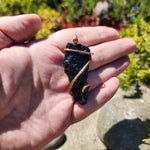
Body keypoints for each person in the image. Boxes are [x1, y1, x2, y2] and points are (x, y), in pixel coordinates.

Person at [0, 14, 136, 150]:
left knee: (80, 85)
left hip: (79, 74)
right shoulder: (71, 53)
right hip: (75, 73)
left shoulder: (80, 51)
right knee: (78, 85)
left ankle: (80, 93)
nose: (76, 41)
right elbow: (70, 62)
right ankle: (79, 93)